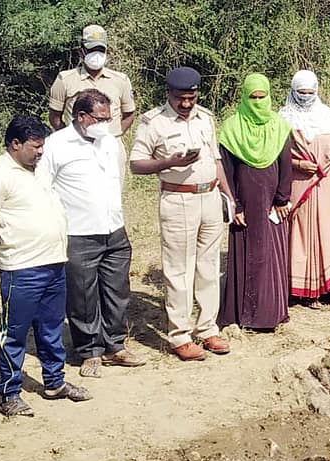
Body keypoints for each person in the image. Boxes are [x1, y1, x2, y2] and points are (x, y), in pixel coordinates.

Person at [0, 114, 91, 417]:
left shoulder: (37, 170)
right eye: (35, 146)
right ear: (15, 144)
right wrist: (10, 239)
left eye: (42, 146)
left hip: (53, 264)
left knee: (50, 330)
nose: (40, 152)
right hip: (22, 269)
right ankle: (10, 395)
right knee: (14, 333)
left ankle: (55, 383)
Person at [129, 67, 234, 361]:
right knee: (179, 269)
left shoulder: (206, 118)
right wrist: (166, 162)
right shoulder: (154, 122)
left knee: (209, 266)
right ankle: (180, 335)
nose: (186, 104)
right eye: (180, 98)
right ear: (169, 95)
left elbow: (216, 160)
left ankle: (208, 329)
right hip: (178, 200)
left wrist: (228, 195)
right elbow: (136, 164)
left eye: (191, 97)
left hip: (210, 197)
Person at [38, 89, 145, 377]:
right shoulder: (56, 145)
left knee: (117, 291)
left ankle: (115, 346)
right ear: (81, 116)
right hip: (78, 232)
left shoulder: (109, 142)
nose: (106, 124)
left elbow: (117, 179)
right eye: (100, 118)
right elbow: (41, 188)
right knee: (82, 295)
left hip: (114, 228)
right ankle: (89, 351)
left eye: (109, 118)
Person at [218, 73, 293, 330]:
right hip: (244, 201)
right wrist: (234, 205)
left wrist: (283, 199)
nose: (258, 102)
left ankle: (269, 314)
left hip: (272, 201)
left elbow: (286, 165)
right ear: (244, 97)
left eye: (263, 97)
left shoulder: (280, 127)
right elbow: (226, 171)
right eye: (253, 97)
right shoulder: (231, 128)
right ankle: (241, 314)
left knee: (271, 253)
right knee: (246, 251)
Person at [278, 70, 330, 309]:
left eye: (310, 92)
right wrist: (298, 164)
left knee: (326, 231)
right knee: (301, 231)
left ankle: (329, 289)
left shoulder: (328, 116)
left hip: (324, 183)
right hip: (298, 182)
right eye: (301, 93)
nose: (306, 97)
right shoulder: (283, 118)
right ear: (293, 91)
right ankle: (303, 291)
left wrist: (326, 161)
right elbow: (276, 153)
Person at [48, 24, 135, 171]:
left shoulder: (120, 80)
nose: (96, 54)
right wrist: (70, 136)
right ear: (81, 51)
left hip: (110, 149)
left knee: (112, 190)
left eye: (100, 50)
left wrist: (114, 135)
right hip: (76, 147)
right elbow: (55, 116)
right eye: (92, 50)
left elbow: (129, 114)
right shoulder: (65, 79)